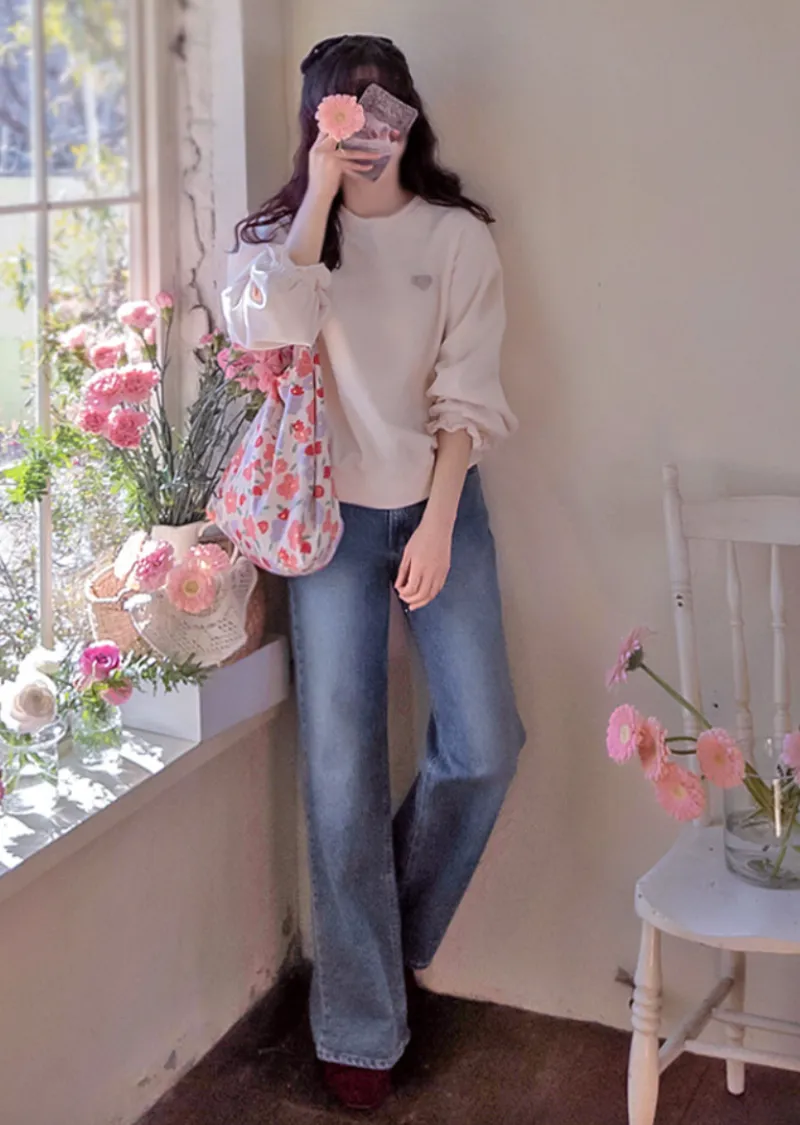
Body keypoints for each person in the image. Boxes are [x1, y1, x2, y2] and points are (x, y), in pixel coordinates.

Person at [222, 33, 525, 1113]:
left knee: (485, 746)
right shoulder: (284, 244)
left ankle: (374, 946)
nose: (365, 128)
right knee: (340, 767)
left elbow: (467, 392)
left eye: (381, 105)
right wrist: (316, 192)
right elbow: (269, 323)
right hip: (327, 523)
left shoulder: (456, 238)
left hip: (442, 505)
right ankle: (359, 1019)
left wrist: (437, 525)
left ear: (409, 114)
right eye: (341, 111)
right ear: (318, 122)